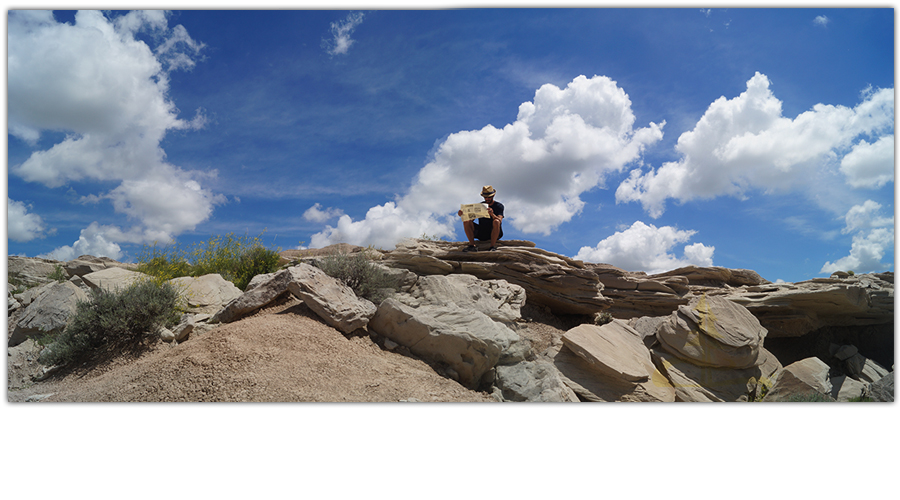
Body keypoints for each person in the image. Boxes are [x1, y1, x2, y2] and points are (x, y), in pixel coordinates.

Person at [457, 185, 504, 252]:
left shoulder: (499, 206)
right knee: (466, 221)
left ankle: (492, 247)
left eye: (489, 197)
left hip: (494, 232)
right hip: (482, 232)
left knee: (496, 221)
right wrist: (463, 215)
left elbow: (499, 220)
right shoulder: (480, 205)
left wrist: (492, 214)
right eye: (485, 197)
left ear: (493, 196)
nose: (487, 199)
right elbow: (471, 219)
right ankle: (472, 246)